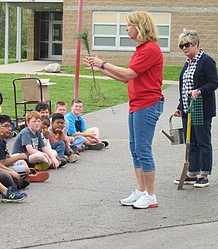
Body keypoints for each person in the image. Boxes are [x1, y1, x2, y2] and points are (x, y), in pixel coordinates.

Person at [84, 11, 164, 209]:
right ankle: (141, 190)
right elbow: (126, 78)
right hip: (137, 104)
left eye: (129, 25)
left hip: (148, 104)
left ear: (140, 26)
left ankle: (150, 195)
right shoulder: (141, 49)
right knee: (135, 148)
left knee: (143, 149)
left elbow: (129, 73)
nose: (126, 28)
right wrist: (100, 69)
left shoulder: (150, 49)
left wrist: (103, 62)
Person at [173, 29, 218, 188]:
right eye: (181, 46)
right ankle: (192, 173)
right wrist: (180, 106)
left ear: (196, 44)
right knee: (190, 142)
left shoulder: (206, 61)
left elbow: (213, 83)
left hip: (201, 108)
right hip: (187, 109)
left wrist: (198, 91)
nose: (184, 49)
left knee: (203, 141)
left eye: (186, 45)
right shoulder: (187, 63)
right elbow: (185, 87)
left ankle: (204, 174)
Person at [0, 115, 50, 182]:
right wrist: (19, 157)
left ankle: (27, 175)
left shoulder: (2, 140)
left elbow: (44, 147)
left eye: (10, 126)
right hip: (0, 169)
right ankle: (25, 176)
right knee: (24, 168)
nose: (9, 129)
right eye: (6, 126)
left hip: (7, 164)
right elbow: (2, 163)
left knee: (21, 162)